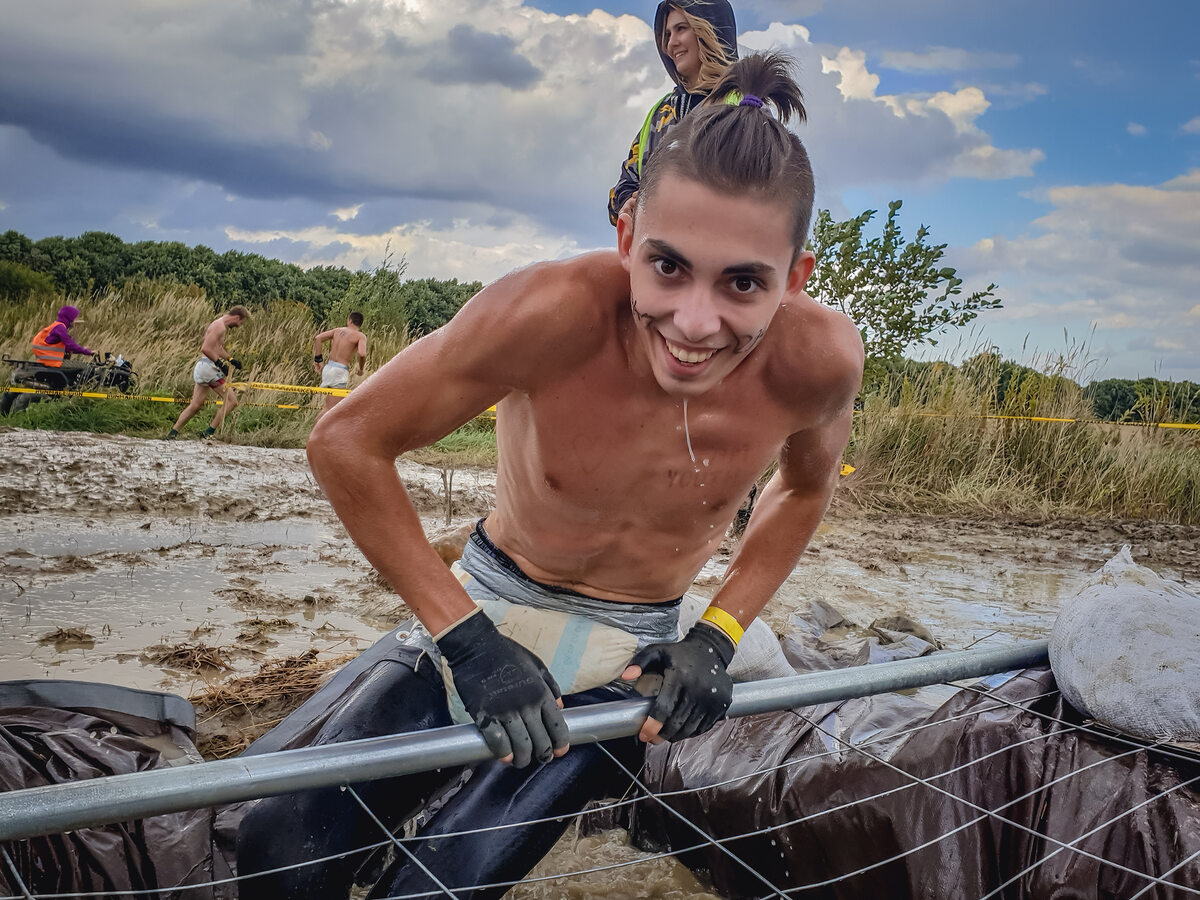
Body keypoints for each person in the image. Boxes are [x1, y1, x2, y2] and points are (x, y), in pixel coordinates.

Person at [237, 53, 863, 898]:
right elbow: (347, 441)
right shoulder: (547, 313)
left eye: (743, 283)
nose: (694, 323)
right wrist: (467, 641)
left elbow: (805, 487)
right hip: (486, 608)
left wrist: (716, 635)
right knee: (280, 848)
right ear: (627, 235)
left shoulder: (817, 363)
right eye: (668, 266)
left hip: (627, 658)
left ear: (794, 279)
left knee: (438, 886)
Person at [607, 0, 739, 225]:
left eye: (681, 29)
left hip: (717, 253)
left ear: (710, 30)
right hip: (655, 254)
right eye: (667, 34)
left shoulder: (743, 106)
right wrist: (627, 204)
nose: (670, 44)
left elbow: (761, 196)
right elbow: (624, 185)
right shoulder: (660, 112)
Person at [165, 306, 248, 439]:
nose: (239, 326)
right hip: (209, 369)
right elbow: (205, 348)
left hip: (204, 367)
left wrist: (230, 359)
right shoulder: (219, 327)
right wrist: (219, 363)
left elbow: (217, 348)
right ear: (237, 317)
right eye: (240, 322)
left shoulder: (219, 325)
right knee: (232, 402)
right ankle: (208, 433)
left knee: (196, 405)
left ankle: (172, 433)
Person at [311, 311, 367, 420]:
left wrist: (318, 360)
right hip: (340, 371)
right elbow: (362, 353)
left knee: (329, 406)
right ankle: (317, 434)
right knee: (332, 410)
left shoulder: (337, 331)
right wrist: (361, 369)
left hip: (328, 368)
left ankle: (320, 434)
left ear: (349, 320)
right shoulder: (360, 336)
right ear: (360, 324)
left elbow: (318, 338)